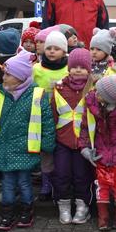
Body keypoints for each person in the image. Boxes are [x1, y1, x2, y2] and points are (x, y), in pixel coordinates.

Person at [0, 51, 56, 231]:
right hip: (5, 148)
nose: (4, 77)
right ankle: (7, 213)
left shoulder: (37, 95)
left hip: (26, 148)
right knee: (8, 183)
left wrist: (46, 143)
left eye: (8, 74)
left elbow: (46, 121)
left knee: (24, 182)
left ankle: (26, 211)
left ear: (20, 77)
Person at [79, 74, 116, 231]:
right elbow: (84, 127)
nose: (96, 94)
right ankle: (103, 220)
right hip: (100, 152)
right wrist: (84, 148)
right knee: (101, 188)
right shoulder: (92, 104)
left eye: (100, 93)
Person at [50, 48, 95, 225]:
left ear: (89, 70)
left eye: (82, 67)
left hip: (84, 143)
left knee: (82, 175)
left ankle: (83, 207)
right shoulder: (59, 87)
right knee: (61, 174)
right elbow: (53, 113)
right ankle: (64, 206)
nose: (77, 70)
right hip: (63, 140)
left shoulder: (94, 88)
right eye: (74, 66)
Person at [33, 30, 69, 201]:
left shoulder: (69, 68)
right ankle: (46, 182)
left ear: (64, 51)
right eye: (49, 48)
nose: (52, 51)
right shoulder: (37, 69)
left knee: (62, 149)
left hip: (64, 116)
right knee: (46, 149)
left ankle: (61, 180)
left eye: (57, 48)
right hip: (42, 115)